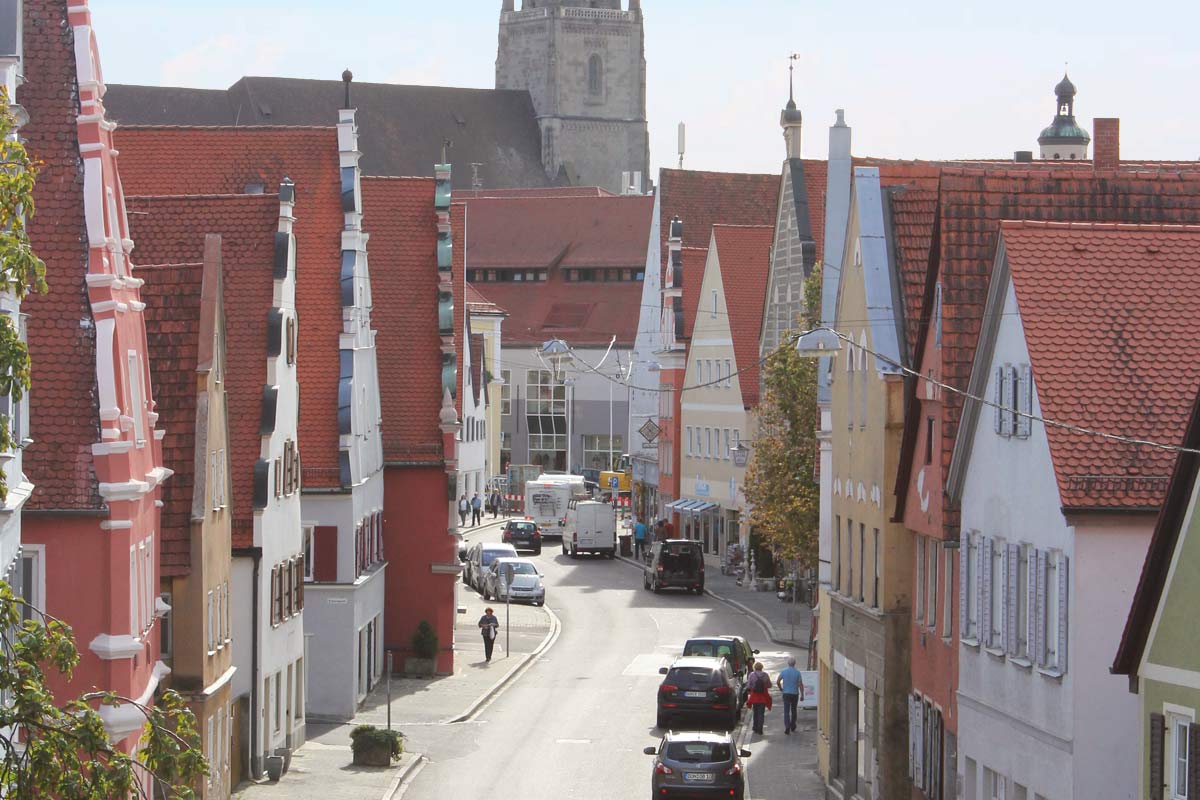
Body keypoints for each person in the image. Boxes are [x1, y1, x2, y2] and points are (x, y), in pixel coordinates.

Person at [776, 655, 803, 735]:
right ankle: (793, 725)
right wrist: (802, 695)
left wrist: (781, 688)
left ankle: (787, 726)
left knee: (786, 711)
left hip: (786, 693)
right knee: (794, 710)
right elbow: (800, 684)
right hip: (795, 693)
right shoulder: (797, 672)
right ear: (794, 663)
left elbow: (778, 681)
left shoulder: (784, 671)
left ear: (788, 663)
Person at [744, 661, 772, 734]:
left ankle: (755, 727)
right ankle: (760, 728)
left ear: (754, 667)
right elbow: (770, 685)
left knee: (755, 712)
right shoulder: (765, 675)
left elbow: (749, 686)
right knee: (761, 713)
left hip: (754, 696)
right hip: (763, 697)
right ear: (762, 667)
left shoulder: (751, 675)